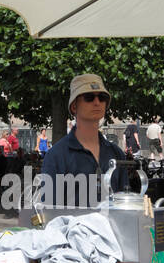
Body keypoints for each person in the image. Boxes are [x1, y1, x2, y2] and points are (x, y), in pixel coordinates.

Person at [41, 73, 128, 207]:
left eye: (102, 97)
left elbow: (124, 204)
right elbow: (49, 210)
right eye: (89, 97)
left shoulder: (116, 154)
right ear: (74, 106)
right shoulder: (57, 156)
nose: (97, 102)